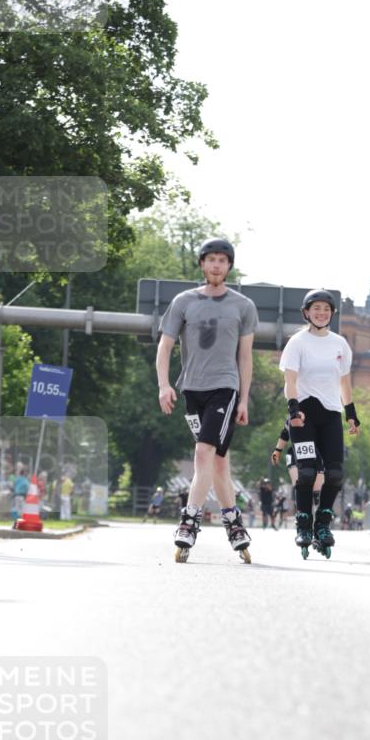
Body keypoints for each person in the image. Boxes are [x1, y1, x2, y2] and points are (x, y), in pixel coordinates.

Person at [156, 237, 258, 559]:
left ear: (229, 266)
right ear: (202, 264)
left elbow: (246, 356)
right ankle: (234, 523)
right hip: (191, 389)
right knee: (218, 462)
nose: (216, 265)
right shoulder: (183, 301)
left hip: (224, 387)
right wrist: (164, 385)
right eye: (210, 259)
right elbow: (165, 346)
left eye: (222, 260)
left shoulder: (243, 306)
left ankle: (188, 522)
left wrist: (243, 399)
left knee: (203, 452)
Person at [279, 289, 361, 553]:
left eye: (326, 309)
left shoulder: (340, 344)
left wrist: (351, 414)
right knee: (306, 472)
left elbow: (344, 382)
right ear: (306, 312)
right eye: (316, 309)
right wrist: (293, 410)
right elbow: (290, 380)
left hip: (330, 413)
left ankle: (323, 524)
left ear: (332, 314)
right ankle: (303, 523)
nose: (321, 313)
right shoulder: (298, 342)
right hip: (303, 413)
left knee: (335, 473)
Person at [271, 422, 325, 508]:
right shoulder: (293, 415)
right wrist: (277, 451)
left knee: (316, 493)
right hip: (294, 454)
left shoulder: (321, 415)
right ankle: (301, 510)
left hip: (316, 454)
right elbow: (285, 433)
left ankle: (317, 507)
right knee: (300, 485)